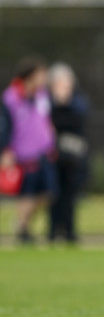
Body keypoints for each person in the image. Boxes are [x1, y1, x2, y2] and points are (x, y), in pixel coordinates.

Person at [1, 56, 57, 242]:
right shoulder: (11, 97)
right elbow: (5, 125)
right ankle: (23, 230)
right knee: (27, 194)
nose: (44, 78)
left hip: (44, 152)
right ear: (30, 75)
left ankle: (21, 222)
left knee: (49, 193)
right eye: (41, 74)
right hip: (23, 154)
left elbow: (45, 119)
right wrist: (6, 150)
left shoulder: (42, 95)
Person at [48, 63, 90, 243]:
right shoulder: (46, 102)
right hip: (53, 155)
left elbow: (83, 113)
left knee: (70, 195)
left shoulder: (78, 100)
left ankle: (70, 231)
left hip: (73, 157)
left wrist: (67, 100)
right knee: (53, 194)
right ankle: (52, 231)